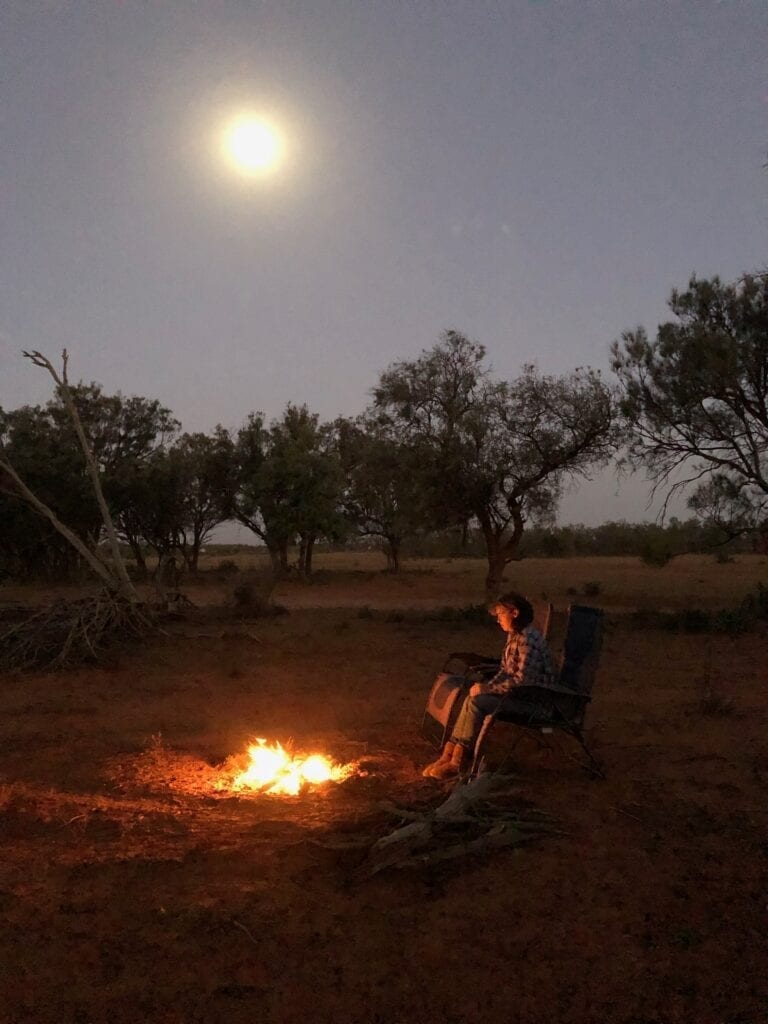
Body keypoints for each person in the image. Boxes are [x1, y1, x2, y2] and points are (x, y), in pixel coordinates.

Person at [422, 591, 556, 780]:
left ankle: (457, 763)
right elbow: (505, 670)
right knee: (472, 697)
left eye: (501, 613)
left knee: (477, 703)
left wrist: (487, 690)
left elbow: (523, 681)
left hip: (535, 704)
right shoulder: (515, 636)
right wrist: (486, 687)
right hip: (517, 695)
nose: (498, 619)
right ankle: (449, 755)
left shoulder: (528, 641)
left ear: (515, 613)